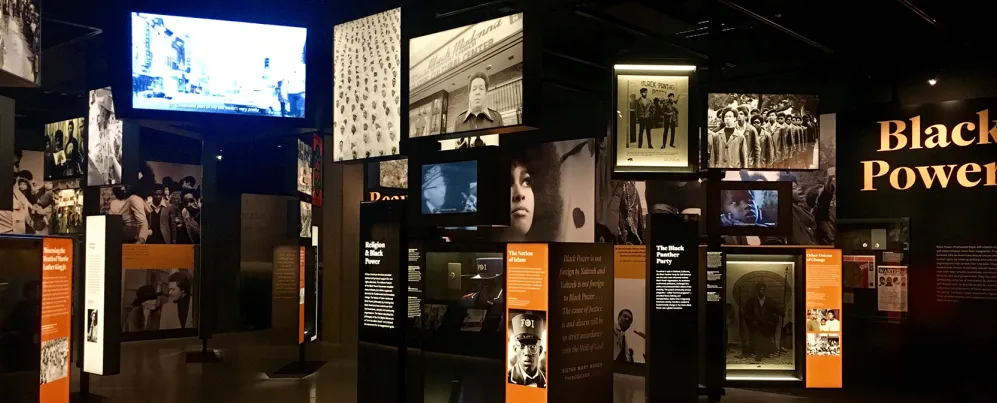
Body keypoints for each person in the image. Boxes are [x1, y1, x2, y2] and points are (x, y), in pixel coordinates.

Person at [742, 282, 780, 362]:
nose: (761, 291)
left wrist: (780, 312)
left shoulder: (770, 301)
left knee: (765, 334)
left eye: (762, 289)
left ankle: (765, 351)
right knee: (757, 334)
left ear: (765, 290)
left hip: (767, 326)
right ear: (756, 291)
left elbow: (777, 312)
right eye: (759, 290)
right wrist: (752, 322)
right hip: (755, 326)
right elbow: (747, 313)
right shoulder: (751, 301)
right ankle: (758, 353)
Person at [507, 313, 547, 388]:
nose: (527, 353)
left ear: (540, 350)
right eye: (522, 346)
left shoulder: (548, 381)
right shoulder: (506, 380)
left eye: (532, 347)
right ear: (515, 349)